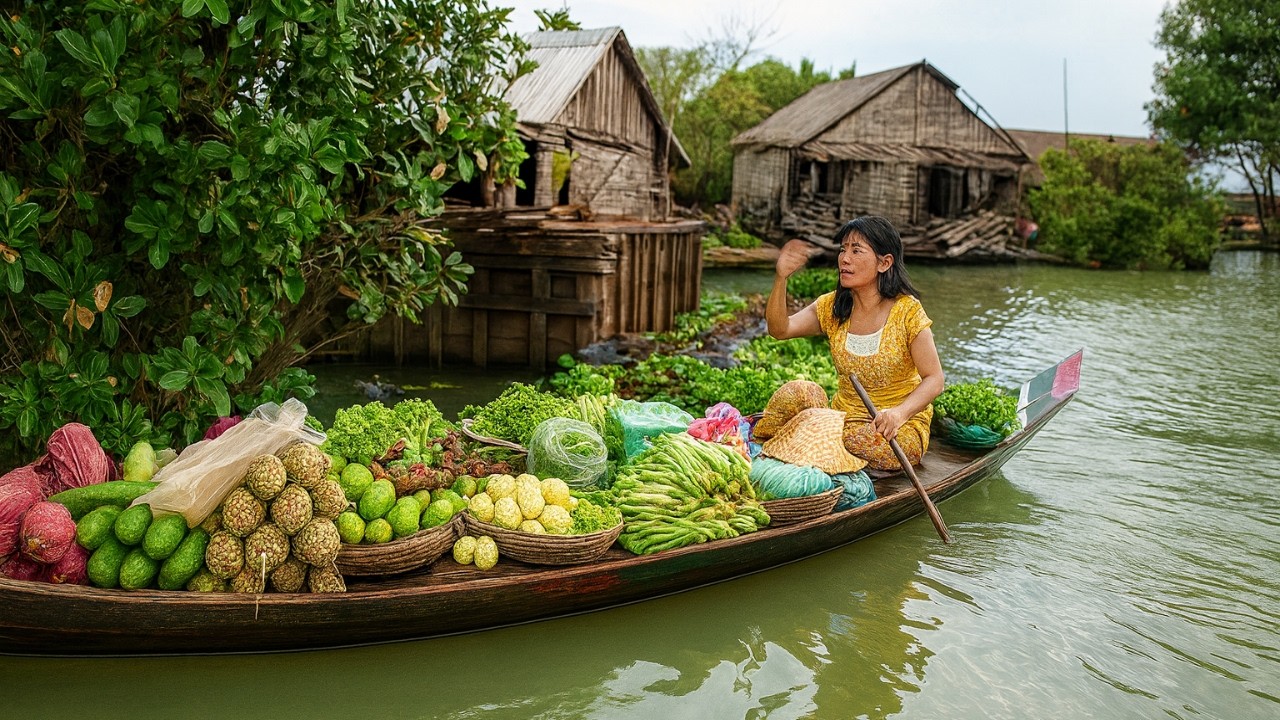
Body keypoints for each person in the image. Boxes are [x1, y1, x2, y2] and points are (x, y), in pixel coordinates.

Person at [762, 216, 944, 471]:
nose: (844, 259)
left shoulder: (908, 312)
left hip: (893, 430)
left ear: (884, 263)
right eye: (843, 249)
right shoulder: (832, 306)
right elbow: (779, 329)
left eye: (856, 250)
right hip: (840, 421)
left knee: (862, 442)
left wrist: (899, 413)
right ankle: (817, 444)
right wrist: (781, 278)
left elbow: (934, 379)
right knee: (798, 391)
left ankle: (811, 444)